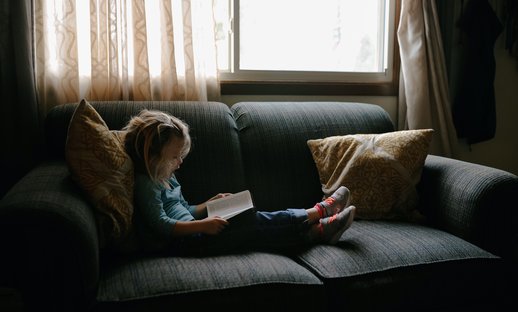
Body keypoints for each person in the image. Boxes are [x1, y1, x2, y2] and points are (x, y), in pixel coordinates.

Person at [124, 109, 356, 255]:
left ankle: (316, 231)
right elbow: (162, 225)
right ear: (152, 156)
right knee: (250, 223)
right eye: (174, 157)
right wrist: (203, 225)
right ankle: (317, 213)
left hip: (196, 232)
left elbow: (185, 210)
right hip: (186, 243)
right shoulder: (146, 184)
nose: (179, 163)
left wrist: (208, 204)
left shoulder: (167, 177)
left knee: (250, 224)